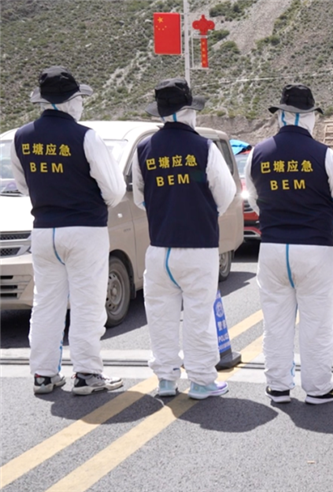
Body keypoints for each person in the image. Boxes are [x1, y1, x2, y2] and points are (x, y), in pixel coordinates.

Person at [10, 66, 125, 395]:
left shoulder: (21, 137)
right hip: (85, 229)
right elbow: (114, 189)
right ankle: (87, 373)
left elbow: (23, 186)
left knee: (46, 303)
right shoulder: (85, 136)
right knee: (88, 303)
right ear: (71, 101)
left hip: (44, 231)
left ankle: (43, 374)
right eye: (79, 99)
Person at [244, 84, 333, 405]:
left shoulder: (258, 154)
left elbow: (255, 198)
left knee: (275, 321)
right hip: (314, 248)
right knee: (316, 322)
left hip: (272, 248)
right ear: (309, 116)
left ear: (281, 115)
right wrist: (325, 227)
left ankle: (278, 386)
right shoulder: (324, 154)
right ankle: (318, 388)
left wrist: (275, 221)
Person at [131, 78, 236, 400]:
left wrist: (166, 209)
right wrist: (201, 210)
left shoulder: (144, 149)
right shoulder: (203, 148)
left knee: (160, 317)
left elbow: (140, 198)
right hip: (198, 246)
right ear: (189, 110)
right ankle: (202, 381)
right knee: (198, 315)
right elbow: (226, 193)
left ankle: (166, 380)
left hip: (159, 248)